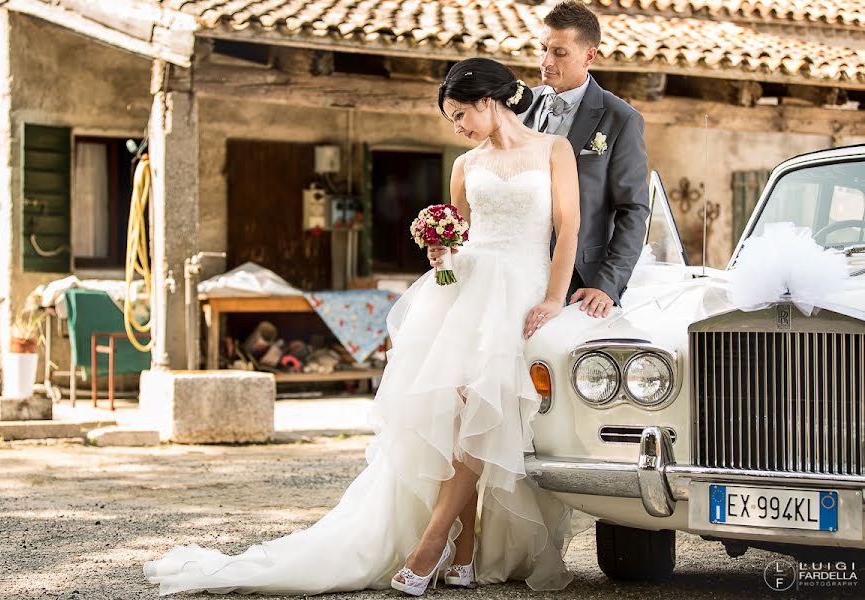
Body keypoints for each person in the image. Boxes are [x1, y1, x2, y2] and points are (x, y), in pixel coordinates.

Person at [143, 57, 581, 596]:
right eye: (451, 120)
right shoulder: (466, 165)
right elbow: (460, 237)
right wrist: (440, 252)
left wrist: (555, 298)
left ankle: (434, 544)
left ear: (488, 102)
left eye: (461, 114)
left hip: (525, 294)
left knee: (483, 412)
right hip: (468, 293)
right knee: (457, 414)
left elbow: (569, 226)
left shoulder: (554, 151)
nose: (458, 128)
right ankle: (457, 552)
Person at [519, 1, 650, 319]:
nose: (546, 61)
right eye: (543, 48)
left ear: (589, 55)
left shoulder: (620, 118)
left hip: (580, 285)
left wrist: (608, 285)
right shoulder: (519, 106)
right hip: (516, 270)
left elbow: (633, 210)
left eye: (559, 52)